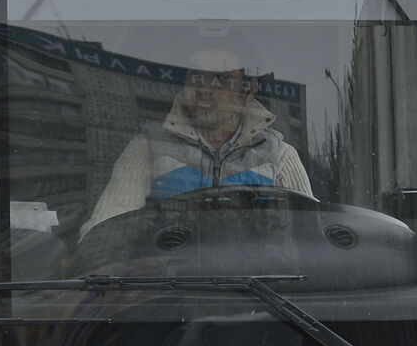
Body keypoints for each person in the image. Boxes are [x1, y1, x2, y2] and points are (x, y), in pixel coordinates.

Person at [84, 41, 313, 231]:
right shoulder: (148, 148)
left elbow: (310, 235)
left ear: (248, 89)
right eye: (196, 76)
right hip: (166, 283)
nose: (204, 89)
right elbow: (106, 230)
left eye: (220, 78)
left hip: (257, 286)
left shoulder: (280, 156)